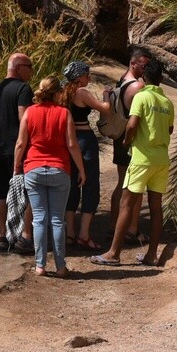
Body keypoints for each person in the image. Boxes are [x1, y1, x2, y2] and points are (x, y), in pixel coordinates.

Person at [93, 56, 173, 267]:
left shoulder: (142, 96)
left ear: (145, 77)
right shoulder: (167, 102)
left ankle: (113, 253)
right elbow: (170, 129)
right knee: (156, 207)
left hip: (142, 158)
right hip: (161, 158)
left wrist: (128, 141)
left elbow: (131, 124)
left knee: (127, 203)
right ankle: (151, 254)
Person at [13, 76, 86, 277]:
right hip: (59, 169)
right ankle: (61, 266)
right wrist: (81, 169)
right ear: (57, 93)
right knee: (56, 220)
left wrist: (16, 166)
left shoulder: (29, 112)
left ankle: (40, 265)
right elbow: (72, 144)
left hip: (34, 168)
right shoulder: (65, 113)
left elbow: (20, 143)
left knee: (39, 219)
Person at [61, 60, 110, 251]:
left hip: (68, 140)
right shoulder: (80, 92)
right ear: (79, 77)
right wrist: (106, 93)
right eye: (86, 74)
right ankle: (84, 234)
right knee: (90, 185)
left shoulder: (62, 92)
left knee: (72, 185)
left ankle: (70, 233)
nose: (89, 78)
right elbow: (104, 108)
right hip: (84, 139)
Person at [0, 52, 34, 251]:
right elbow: (24, 118)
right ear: (17, 67)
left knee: (1, 192)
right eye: (29, 66)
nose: (31, 71)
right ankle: (23, 235)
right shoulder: (23, 89)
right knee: (26, 191)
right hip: (18, 147)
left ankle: (2, 235)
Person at [108, 46, 150, 245]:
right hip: (130, 139)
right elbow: (137, 119)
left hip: (120, 138)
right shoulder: (137, 87)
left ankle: (113, 224)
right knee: (134, 187)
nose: (145, 69)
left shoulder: (122, 81)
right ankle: (131, 228)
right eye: (143, 65)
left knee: (122, 182)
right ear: (133, 63)